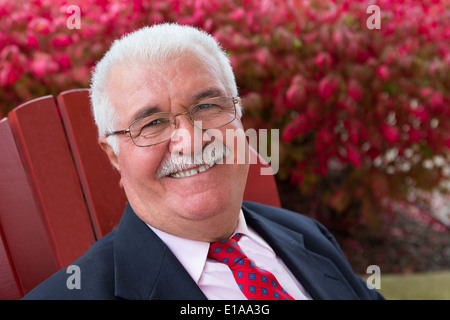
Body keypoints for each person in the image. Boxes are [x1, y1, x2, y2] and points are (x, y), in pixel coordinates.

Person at [23, 23, 383, 300]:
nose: (191, 141)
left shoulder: (307, 235)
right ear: (114, 155)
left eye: (207, 107)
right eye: (152, 123)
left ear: (239, 115)